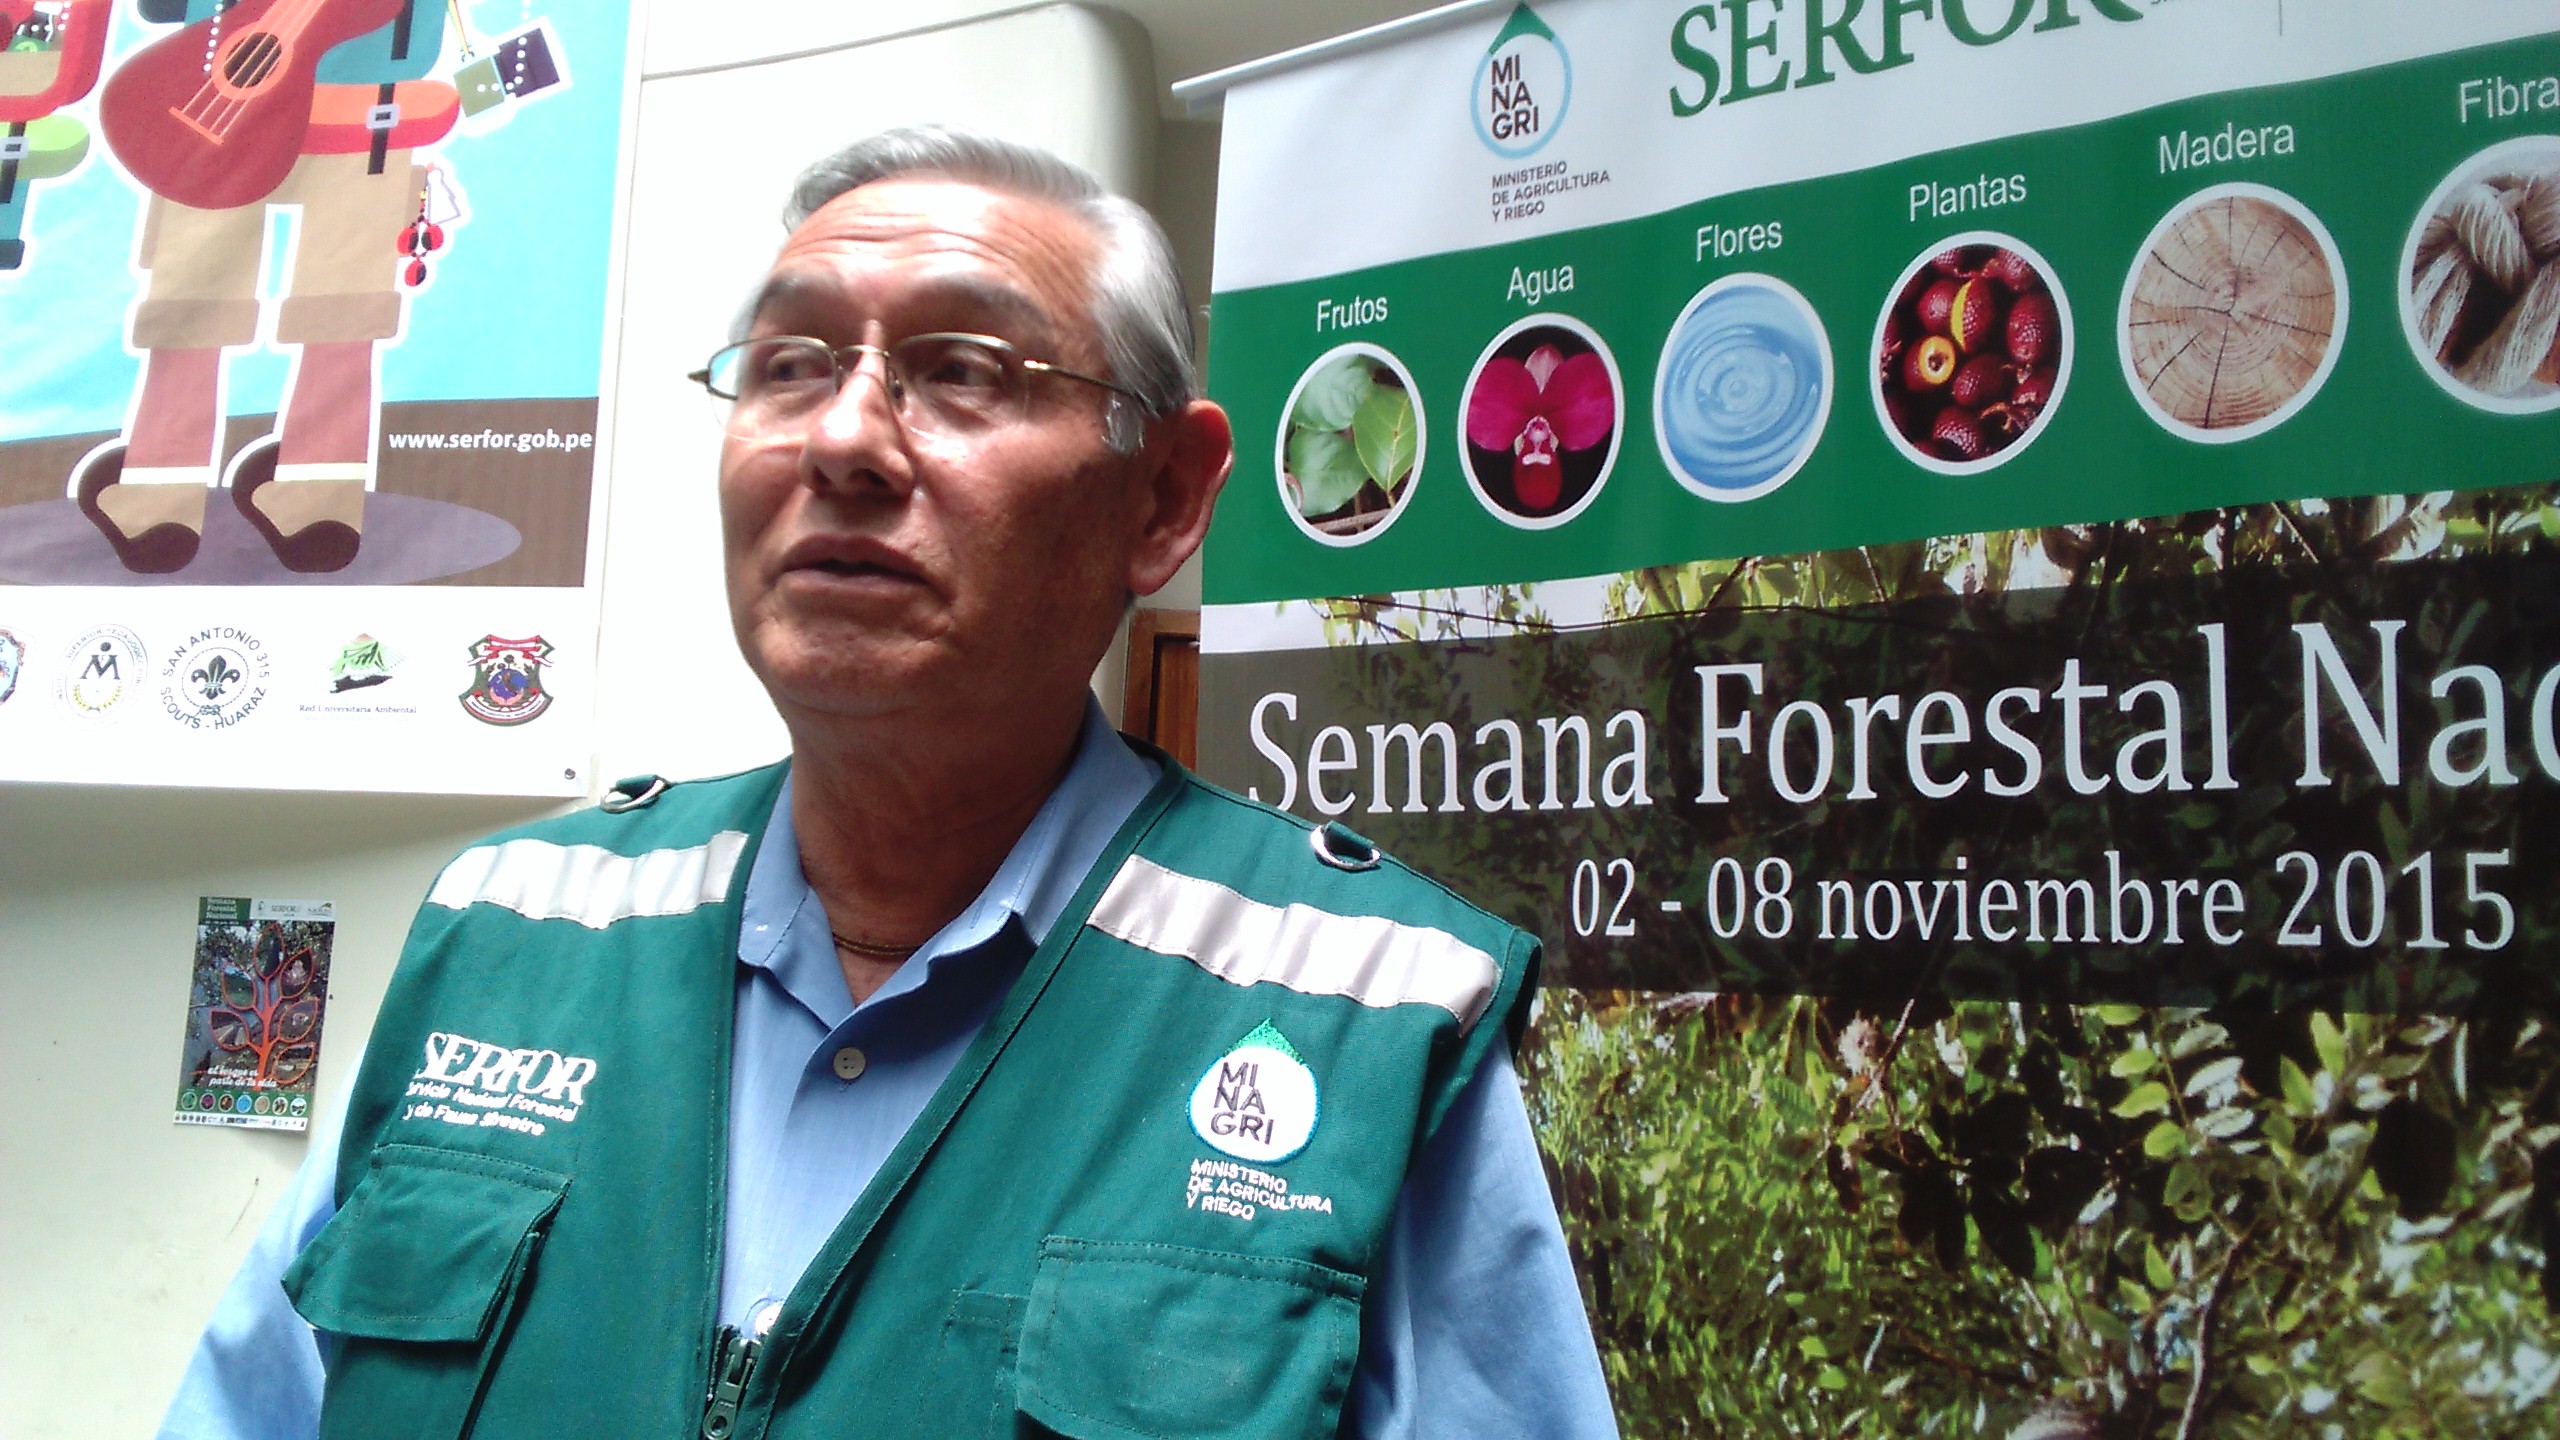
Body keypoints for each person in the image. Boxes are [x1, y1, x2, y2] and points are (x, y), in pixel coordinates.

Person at [158, 126, 1616, 1438]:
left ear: (1164, 498)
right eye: (790, 365)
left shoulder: (1364, 1009)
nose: (844, 437)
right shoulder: (518, 928)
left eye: (966, 371)